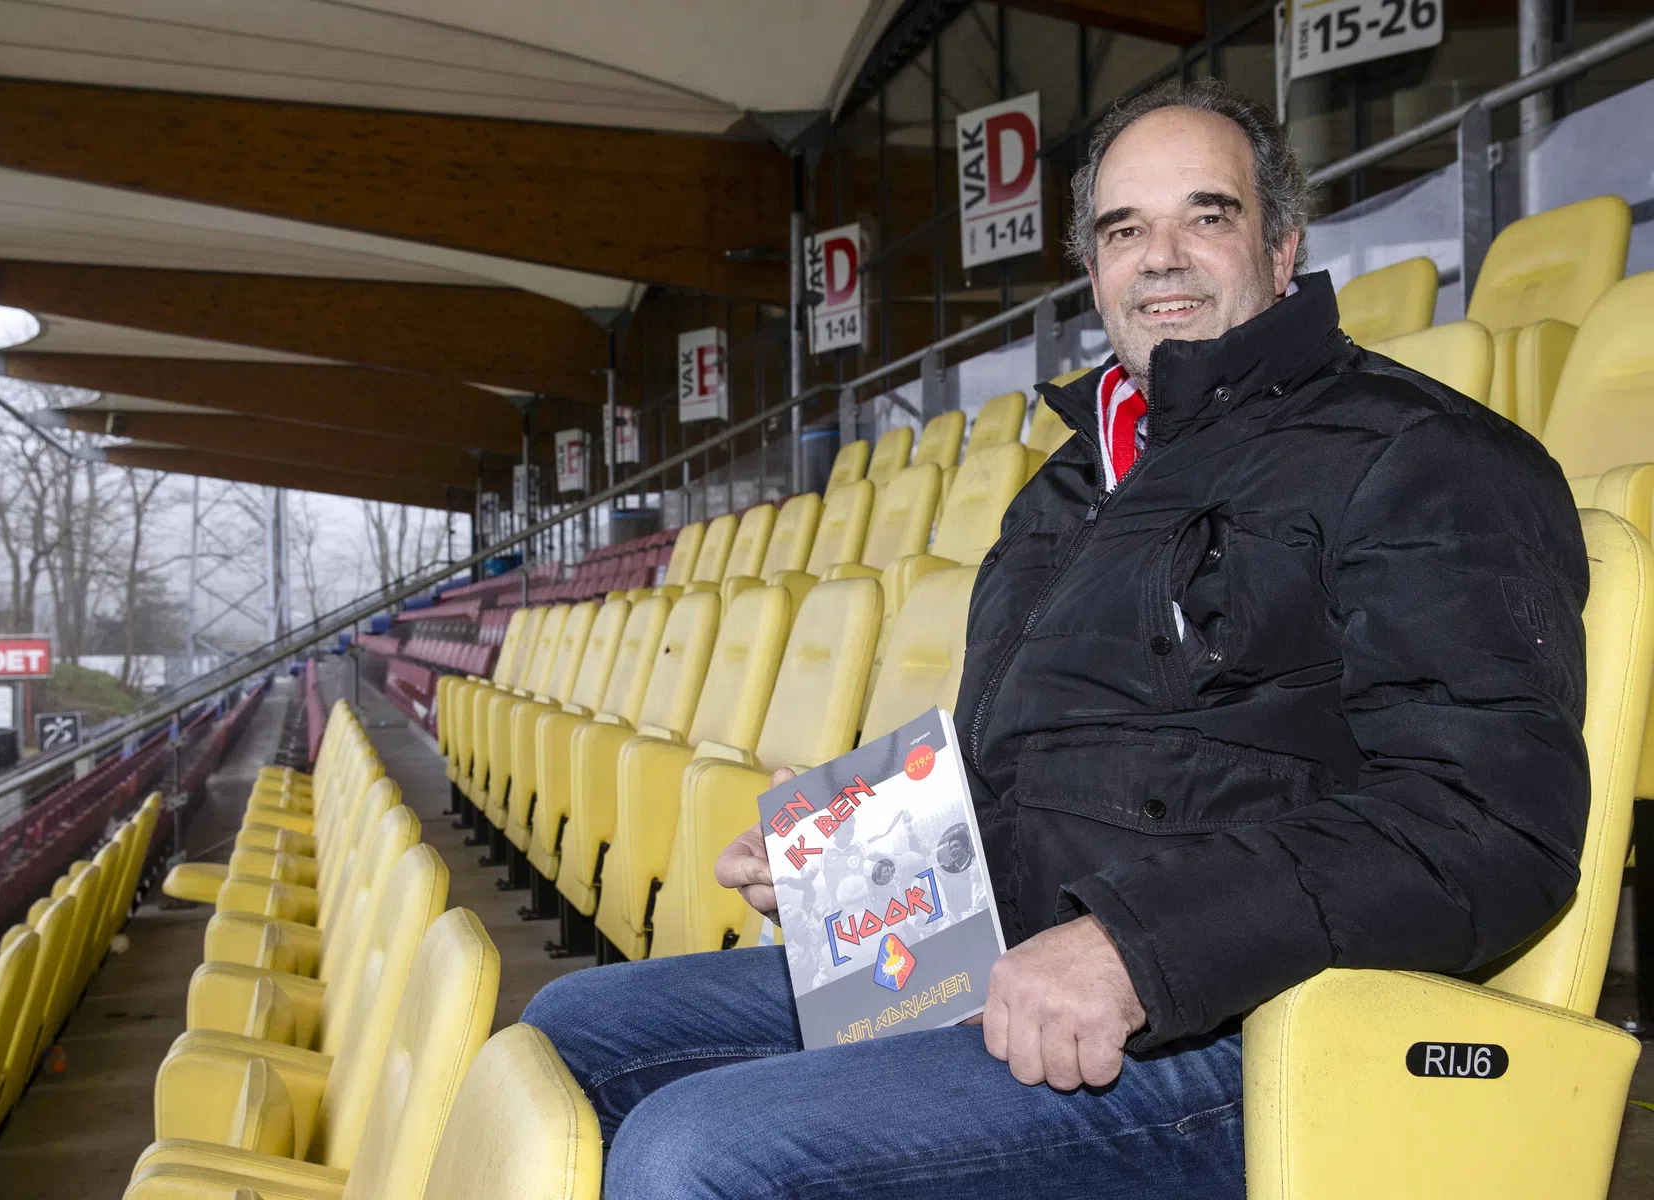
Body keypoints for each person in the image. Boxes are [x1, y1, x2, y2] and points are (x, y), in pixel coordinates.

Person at [522, 79, 1586, 1198]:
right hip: (1015, 955)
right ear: (1095, 274)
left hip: (1242, 1016)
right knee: (568, 1034)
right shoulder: (1071, 486)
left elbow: (1489, 822)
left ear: (1282, 247)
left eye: (1206, 215)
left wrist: (1137, 945)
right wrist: (844, 861)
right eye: (1125, 229)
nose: (1160, 255)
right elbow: (1026, 775)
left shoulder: (1424, 456)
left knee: (696, 1154)